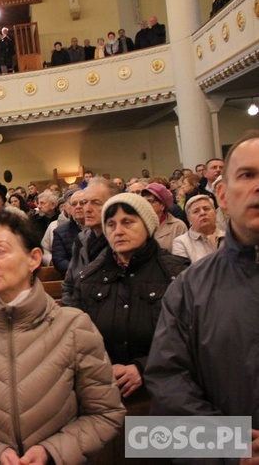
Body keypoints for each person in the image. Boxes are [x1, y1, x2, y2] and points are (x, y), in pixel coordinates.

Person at [0, 210, 125, 464]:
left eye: (0, 251)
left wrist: (51, 451)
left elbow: (105, 413)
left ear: (33, 259)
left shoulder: (73, 327)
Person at [145, 131, 259, 459]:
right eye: (247, 175)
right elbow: (168, 386)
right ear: (222, 195)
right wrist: (230, 446)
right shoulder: (189, 288)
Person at [69, 193, 189, 399]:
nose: (118, 231)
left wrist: (143, 367)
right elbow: (74, 339)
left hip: (167, 387)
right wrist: (104, 368)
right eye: (111, 225)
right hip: (103, 387)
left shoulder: (177, 274)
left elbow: (189, 338)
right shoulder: (88, 277)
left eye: (128, 222)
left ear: (148, 226)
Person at [171, 195, 225, 262]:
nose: (202, 213)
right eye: (196, 211)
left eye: (206, 209)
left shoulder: (229, 237)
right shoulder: (181, 243)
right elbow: (185, 271)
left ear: (215, 213)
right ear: (189, 219)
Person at [141, 182, 187, 253]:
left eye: (150, 201)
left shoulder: (177, 226)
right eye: (144, 201)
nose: (146, 205)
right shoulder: (138, 225)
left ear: (162, 205)